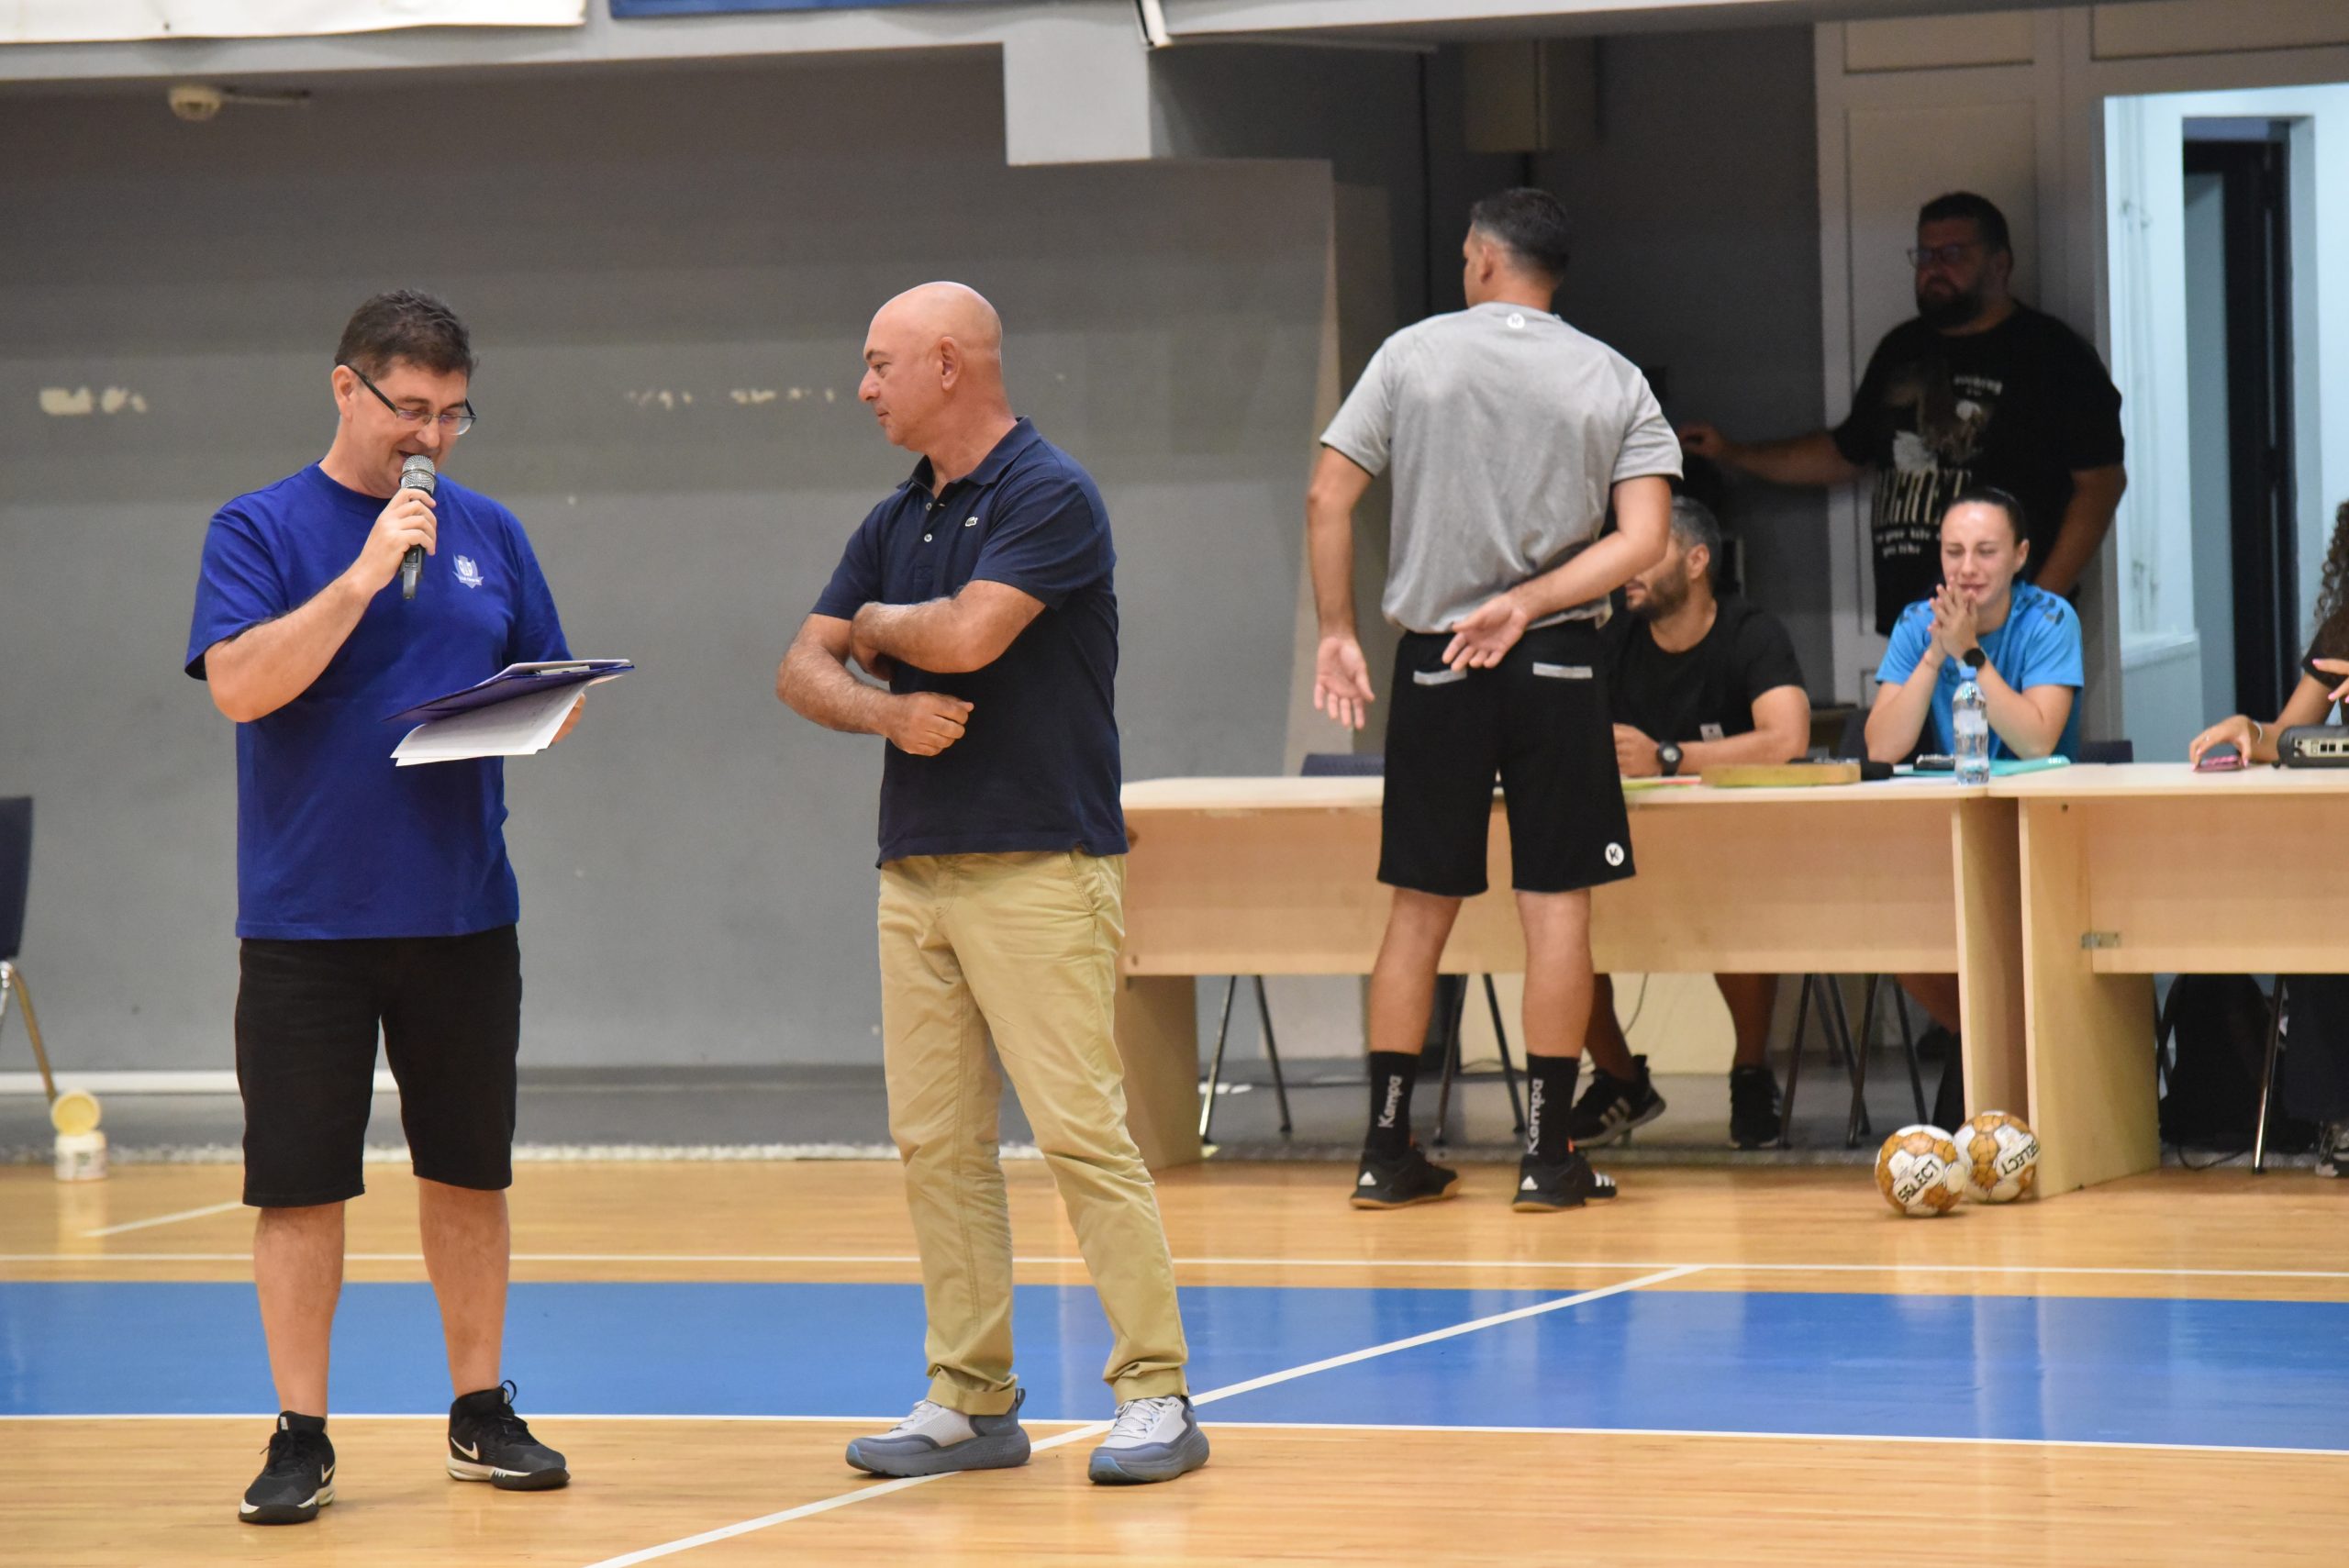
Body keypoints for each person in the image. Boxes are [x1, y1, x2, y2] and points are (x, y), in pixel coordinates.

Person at [774, 283, 1207, 1486]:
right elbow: (800, 667)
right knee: (936, 1143)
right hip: (915, 870)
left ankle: (1156, 1391)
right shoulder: (892, 515)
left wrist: (872, 622)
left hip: (1040, 864)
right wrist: (884, 710)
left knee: (1080, 1132)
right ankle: (970, 1398)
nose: (863, 387)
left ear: (949, 364)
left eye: (880, 363)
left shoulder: (1048, 494)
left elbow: (969, 634)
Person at [185, 291, 579, 1526]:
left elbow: (546, 676)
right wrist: (362, 575)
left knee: (468, 1169)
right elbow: (240, 686)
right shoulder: (258, 527)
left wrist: (540, 707)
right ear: (346, 389)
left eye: (454, 414)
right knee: (300, 1183)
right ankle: (300, 1432)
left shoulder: (491, 531)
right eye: (412, 409)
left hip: (461, 910)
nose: (433, 438)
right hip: (307, 921)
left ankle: (479, 1409)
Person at [1308, 189, 1677, 1213]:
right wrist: (1529, 601)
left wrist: (1337, 629)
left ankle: (1385, 1149)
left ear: (1479, 257)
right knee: (1555, 911)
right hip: (1556, 660)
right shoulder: (1613, 376)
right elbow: (1644, 538)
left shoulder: (1410, 356)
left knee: (1418, 909)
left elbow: (1328, 494)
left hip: (1438, 660)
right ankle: (1547, 1154)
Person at [1680, 192, 2126, 633]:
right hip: (1914, 623)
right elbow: (1846, 453)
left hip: (2007, 625)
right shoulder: (1902, 349)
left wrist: (2039, 604)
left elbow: (2102, 485)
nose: (1934, 268)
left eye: (1953, 254)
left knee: (1998, 687)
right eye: (1925, 255)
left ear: (1999, 264)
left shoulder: (2053, 354)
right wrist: (1733, 453)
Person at [1564, 495, 1810, 1151]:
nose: (1627, 569)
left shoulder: (1751, 632)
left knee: (1735, 902)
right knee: (1553, 905)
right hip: (1630, 839)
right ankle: (1620, 1078)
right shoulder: (1613, 638)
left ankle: (1750, 1072)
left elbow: (1787, 738)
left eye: (1646, 551)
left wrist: (1670, 757)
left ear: (1698, 561)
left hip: (1737, 848)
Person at [1867, 486, 2081, 1123]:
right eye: (1953, 551)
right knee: (1896, 939)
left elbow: (2036, 737)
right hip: (1953, 822)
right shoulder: (1917, 622)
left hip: (2041, 822)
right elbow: (1883, 745)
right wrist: (1934, 654)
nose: (1967, 568)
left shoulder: (2050, 618)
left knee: (2016, 945)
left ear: (2019, 555)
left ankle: (1998, 1060)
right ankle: (1982, 1038)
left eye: (1986, 552)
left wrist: (1972, 654)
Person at [2190, 500, 2349, 1173]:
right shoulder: (2343, 630)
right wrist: (2251, 732)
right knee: (2324, 913)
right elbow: (2293, 734)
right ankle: (2338, 1117)